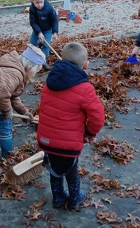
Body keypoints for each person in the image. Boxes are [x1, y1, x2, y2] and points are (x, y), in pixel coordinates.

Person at [37, 42, 105, 210]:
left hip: (46, 141)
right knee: (71, 172)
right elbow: (98, 115)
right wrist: (90, 132)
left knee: (55, 171)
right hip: (68, 145)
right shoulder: (85, 88)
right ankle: (74, 199)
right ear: (86, 65)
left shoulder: (49, 83)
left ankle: (58, 199)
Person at [29, 0, 59, 71]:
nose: (39, 5)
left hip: (47, 30)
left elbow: (54, 20)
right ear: (32, 1)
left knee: (46, 45)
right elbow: (33, 22)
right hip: (37, 30)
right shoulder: (32, 9)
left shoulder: (49, 7)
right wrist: (38, 32)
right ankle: (30, 59)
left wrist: (55, 32)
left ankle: (43, 61)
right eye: (37, 3)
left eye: (41, 2)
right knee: (31, 44)